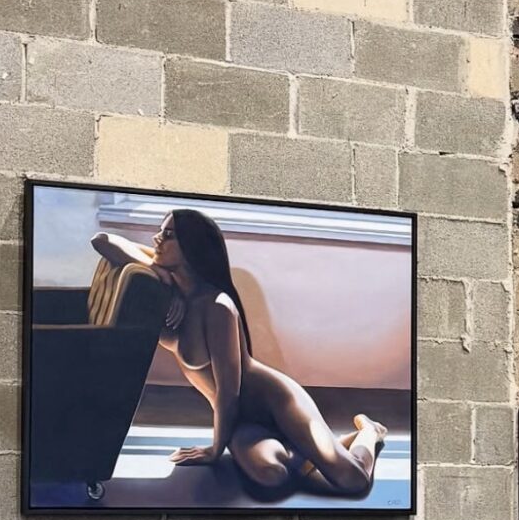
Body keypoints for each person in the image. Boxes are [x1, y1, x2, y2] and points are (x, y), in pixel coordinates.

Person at [91, 209, 387, 498]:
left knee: (352, 480)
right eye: (161, 231)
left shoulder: (217, 306)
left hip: (278, 403)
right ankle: (309, 450)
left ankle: (369, 431)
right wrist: (160, 273)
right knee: (272, 474)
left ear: (192, 248)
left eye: (168, 235)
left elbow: (228, 392)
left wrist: (214, 449)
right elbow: (102, 241)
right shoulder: (169, 295)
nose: (157, 239)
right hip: (242, 422)